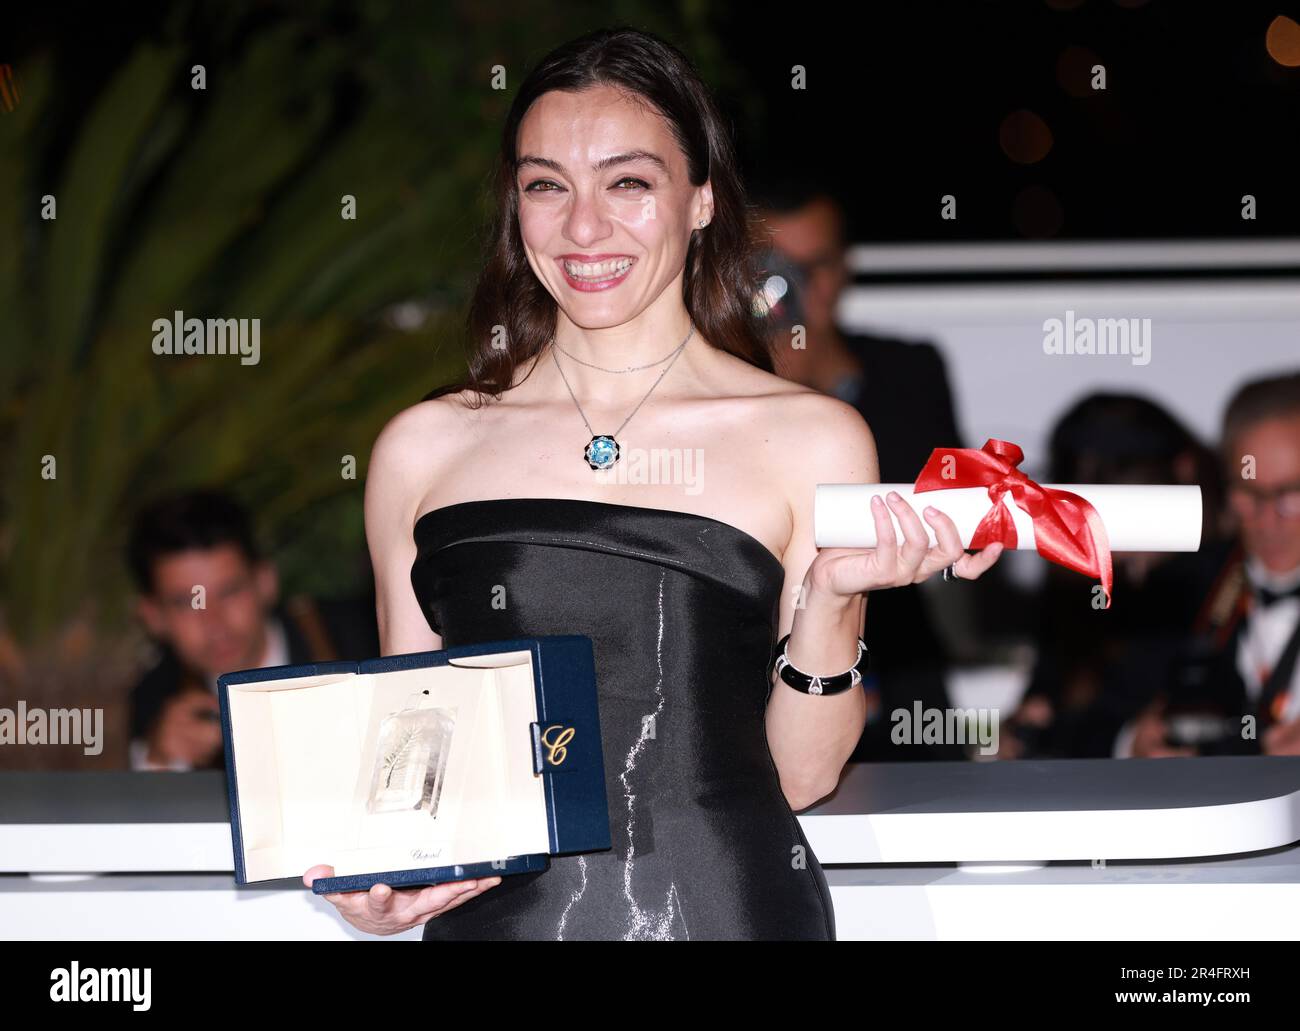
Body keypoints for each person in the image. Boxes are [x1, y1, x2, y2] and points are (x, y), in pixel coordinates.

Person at [304, 26, 1003, 940]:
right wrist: (384, 881)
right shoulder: (424, 447)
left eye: (627, 182)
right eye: (545, 185)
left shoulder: (810, 436)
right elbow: (415, 766)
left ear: (704, 199)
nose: (583, 226)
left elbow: (801, 777)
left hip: (722, 914)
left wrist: (831, 599)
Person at [749, 174, 968, 760]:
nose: (792, 290)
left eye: (812, 269)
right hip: (749, 682)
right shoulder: (711, 386)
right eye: (772, 269)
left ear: (844, 270)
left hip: (899, 674)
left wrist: (823, 375)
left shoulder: (906, 371)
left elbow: (939, 507)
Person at [1108, 371, 1300, 758]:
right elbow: (1088, 720)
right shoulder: (1185, 588)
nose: (1267, 520)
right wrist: (1134, 745)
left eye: (1291, 494)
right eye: (1248, 494)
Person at [126, 489, 377, 770]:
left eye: (229, 592)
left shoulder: (364, 637)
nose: (214, 623)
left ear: (265, 582)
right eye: (187, 603)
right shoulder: (155, 699)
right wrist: (160, 763)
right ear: (153, 616)